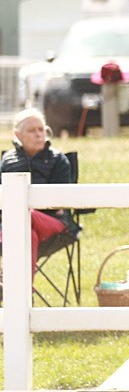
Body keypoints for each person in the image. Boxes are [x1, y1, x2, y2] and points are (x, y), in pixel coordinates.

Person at [0, 108, 77, 273]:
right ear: (18, 135)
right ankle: (27, 294)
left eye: (41, 129)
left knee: (27, 215)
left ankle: (6, 278)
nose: (38, 134)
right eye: (32, 130)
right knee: (28, 233)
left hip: (55, 223)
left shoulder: (58, 160)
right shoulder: (8, 161)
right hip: (17, 224)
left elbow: (59, 203)